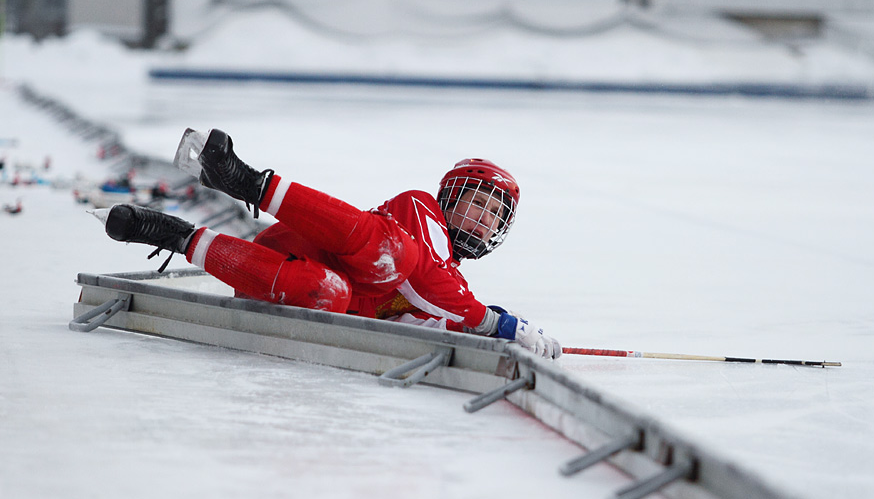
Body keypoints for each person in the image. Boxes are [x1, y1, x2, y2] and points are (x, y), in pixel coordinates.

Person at [100, 128, 561, 359]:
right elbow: (428, 281)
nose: (483, 220)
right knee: (395, 257)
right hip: (289, 246)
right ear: (451, 195)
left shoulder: (451, 288)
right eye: (477, 203)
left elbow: (435, 319)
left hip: (290, 288)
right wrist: (494, 322)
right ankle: (245, 181)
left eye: (494, 216)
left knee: (335, 292)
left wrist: (506, 340)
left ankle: (174, 234)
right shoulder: (420, 208)